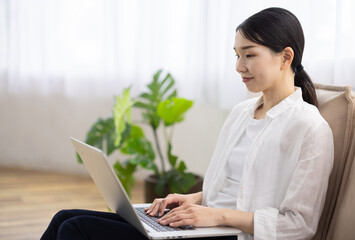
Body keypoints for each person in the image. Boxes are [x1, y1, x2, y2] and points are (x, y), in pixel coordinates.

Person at [41, 7, 334, 240]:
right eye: (236, 55)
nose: (238, 66)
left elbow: (299, 225)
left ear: (285, 57)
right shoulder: (241, 113)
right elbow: (233, 188)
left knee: (75, 230)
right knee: (64, 218)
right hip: (205, 226)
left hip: (233, 235)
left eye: (249, 55)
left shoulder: (310, 129)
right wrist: (192, 199)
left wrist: (216, 216)